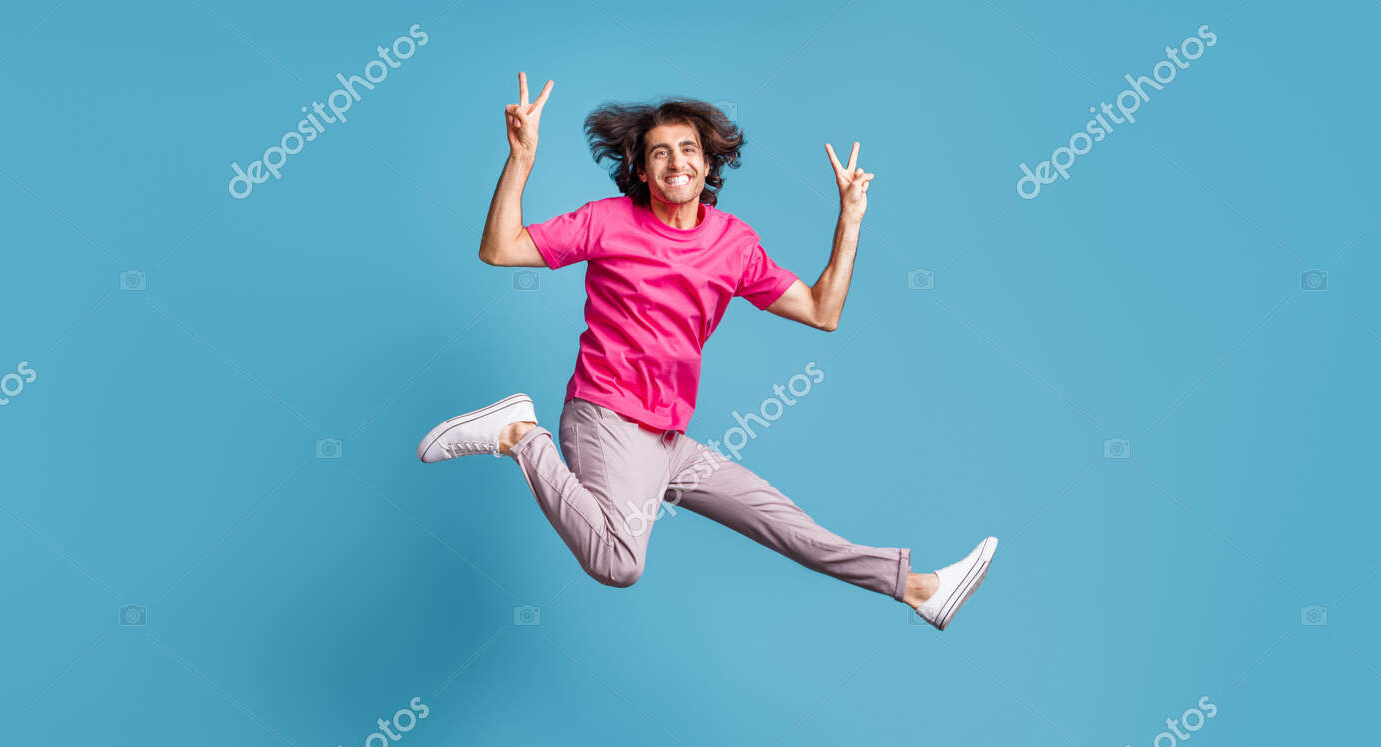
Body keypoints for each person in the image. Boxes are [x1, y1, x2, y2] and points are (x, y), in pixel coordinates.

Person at [417, 74, 996, 629]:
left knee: (787, 528)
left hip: (669, 439)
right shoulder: (608, 222)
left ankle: (920, 589)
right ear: (641, 168)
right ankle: (522, 435)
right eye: (660, 152)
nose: (677, 162)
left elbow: (823, 311)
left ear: (707, 163)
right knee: (619, 563)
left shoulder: (734, 243)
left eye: (688, 149)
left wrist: (850, 219)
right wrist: (521, 158)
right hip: (607, 419)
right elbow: (500, 249)